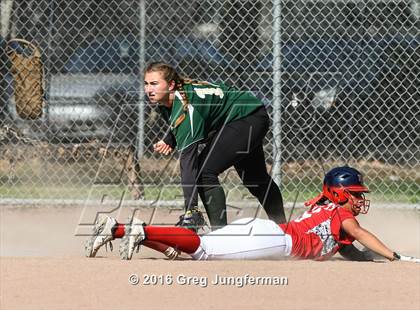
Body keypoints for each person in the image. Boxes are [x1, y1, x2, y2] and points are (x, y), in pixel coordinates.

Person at [85, 166, 419, 262]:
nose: (359, 201)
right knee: (200, 250)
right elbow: (357, 233)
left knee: (185, 251)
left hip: (263, 232)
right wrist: (394, 257)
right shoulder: (341, 217)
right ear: (337, 193)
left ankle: (116, 229)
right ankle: (139, 230)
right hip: (272, 240)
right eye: (355, 195)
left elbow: (349, 248)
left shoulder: (326, 211)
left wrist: (371, 260)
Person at [145, 61, 286, 230]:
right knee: (255, 179)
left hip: (245, 118)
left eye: (154, 83)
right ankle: (284, 230)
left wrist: (191, 210)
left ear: (171, 84)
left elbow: (188, 162)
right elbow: (187, 120)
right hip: (248, 114)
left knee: (204, 172)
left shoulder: (185, 106)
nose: (149, 89)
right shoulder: (171, 100)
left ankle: (220, 235)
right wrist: (170, 138)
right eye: (146, 84)